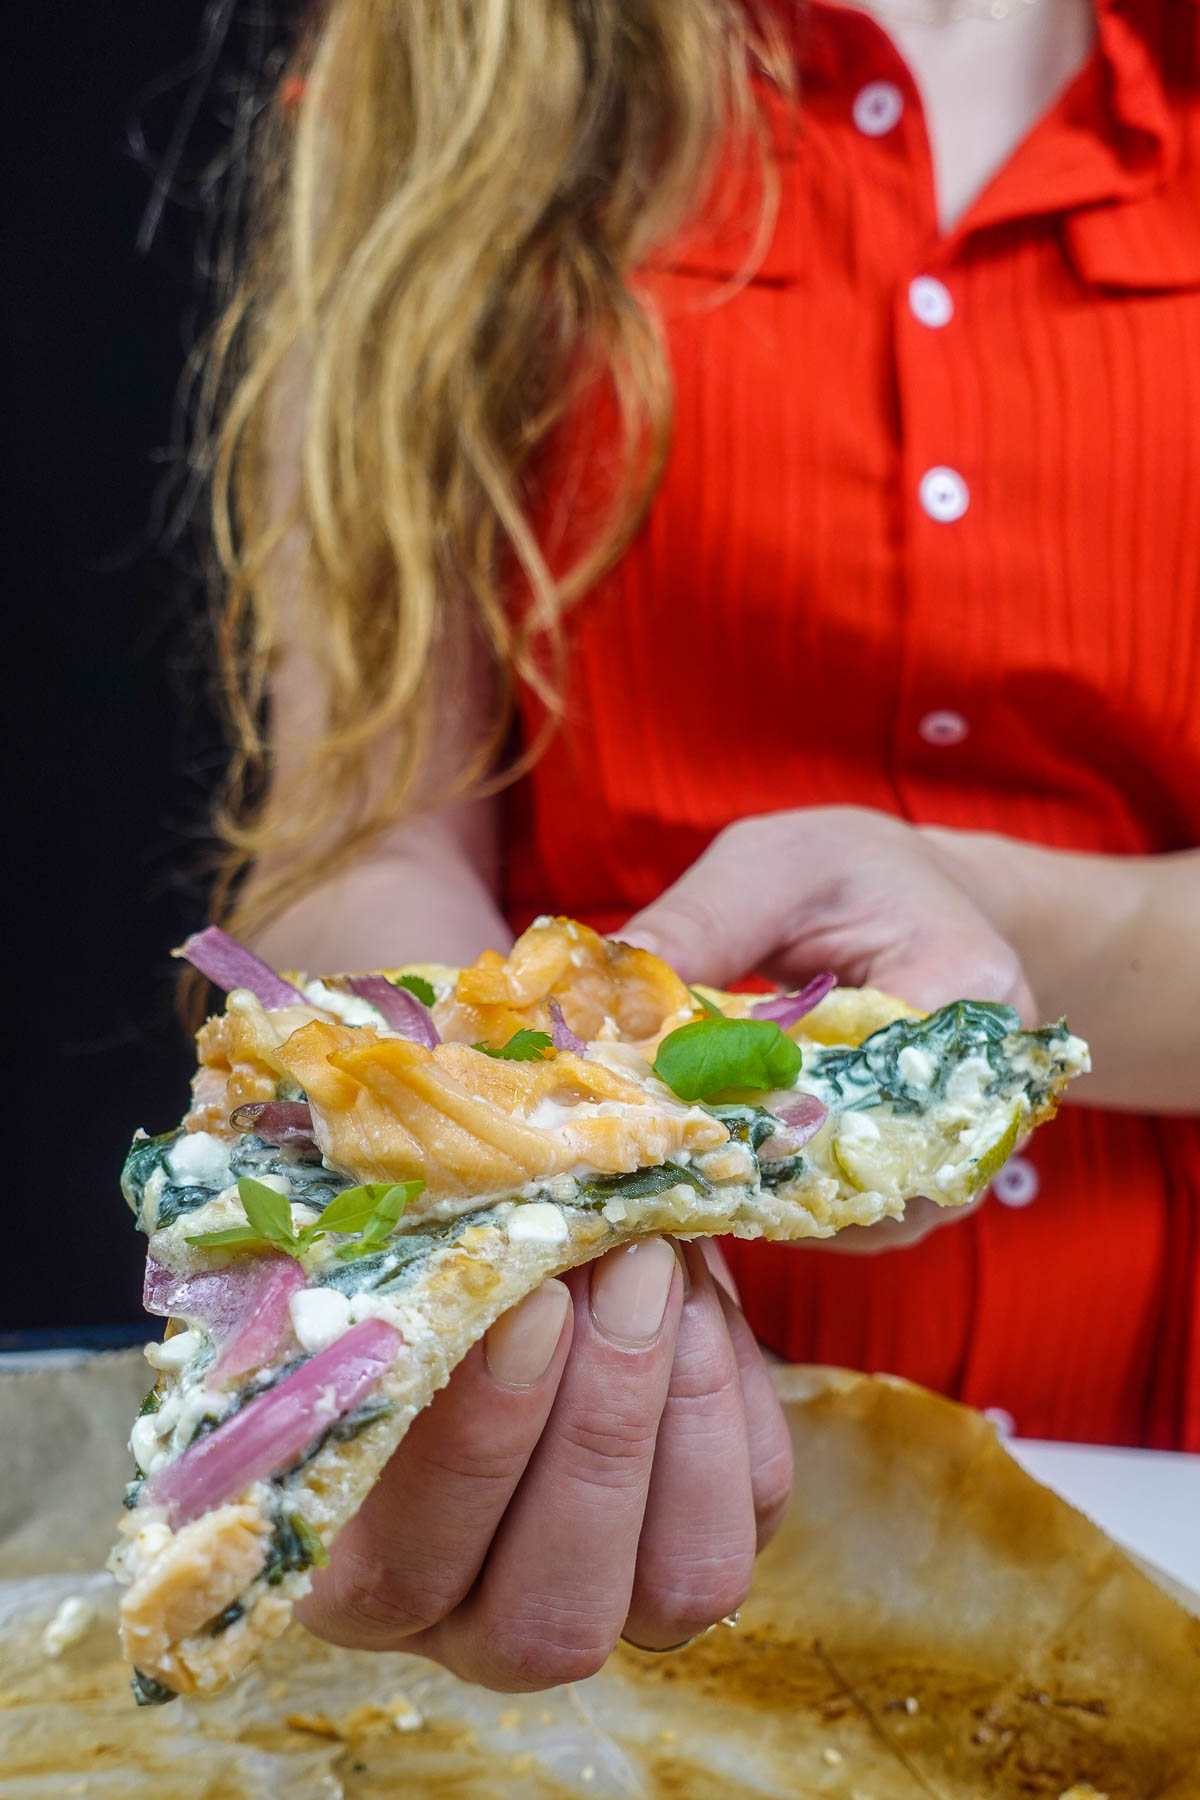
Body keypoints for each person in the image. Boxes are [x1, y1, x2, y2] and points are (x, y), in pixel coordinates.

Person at [193, 0, 1199, 1687]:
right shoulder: (451, 57)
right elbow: (361, 830)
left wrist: (965, 941)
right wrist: (447, 1165)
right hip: (619, 1472)